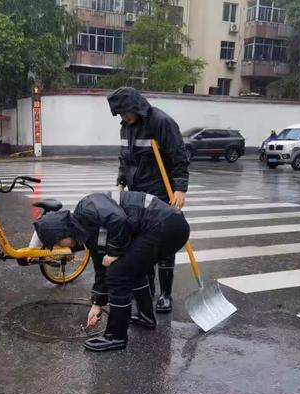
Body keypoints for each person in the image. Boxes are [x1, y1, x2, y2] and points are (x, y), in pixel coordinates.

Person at [33, 191, 190, 352]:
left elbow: (118, 219)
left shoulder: (87, 207)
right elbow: (101, 268)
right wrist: (97, 304)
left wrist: (114, 252)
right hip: (164, 226)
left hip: (167, 225)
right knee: (131, 268)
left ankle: (116, 336)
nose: (61, 247)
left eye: (58, 242)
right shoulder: (87, 232)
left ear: (62, 231)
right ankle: (146, 316)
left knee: (118, 273)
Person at [107, 87, 189, 315]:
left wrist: (180, 189)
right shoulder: (126, 128)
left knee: (163, 245)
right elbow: (125, 158)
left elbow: (179, 156)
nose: (122, 117)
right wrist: (121, 180)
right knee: (140, 243)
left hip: (161, 192)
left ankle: (165, 294)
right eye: (119, 114)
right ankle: (147, 289)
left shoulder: (161, 122)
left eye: (124, 112)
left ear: (135, 106)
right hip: (137, 192)